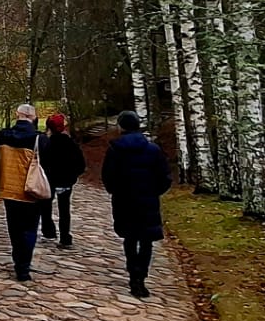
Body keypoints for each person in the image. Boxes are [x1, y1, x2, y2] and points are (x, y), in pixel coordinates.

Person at [101, 110, 172, 298]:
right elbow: (164, 176)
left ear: (121, 127)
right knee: (146, 240)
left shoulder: (115, 149)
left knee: (130, 238)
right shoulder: (153, 149)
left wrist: (115, 190)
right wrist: (154, 191)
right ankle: (141, 276)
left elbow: (107, 176)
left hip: (124, 200)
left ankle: (133, 274)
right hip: (147, 200)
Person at [0, 103, 45, 281]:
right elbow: (48, 167)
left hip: (9, 189)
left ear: (16, 115)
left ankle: (18, 259)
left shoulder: (3, 136)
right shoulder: (39, 139)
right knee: (30, 228)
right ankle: (23, 266)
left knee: (14, 227)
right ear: (33, 117)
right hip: (31, 191)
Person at [39, 113, 87, 248]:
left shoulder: (47, 144)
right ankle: (65, 236)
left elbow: (42, 163)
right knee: (64, 209)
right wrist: (73, 176)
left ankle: (48, 231)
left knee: (45, 205)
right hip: (66, 181)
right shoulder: (71, 144)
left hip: (50, 180)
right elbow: (81, 164)